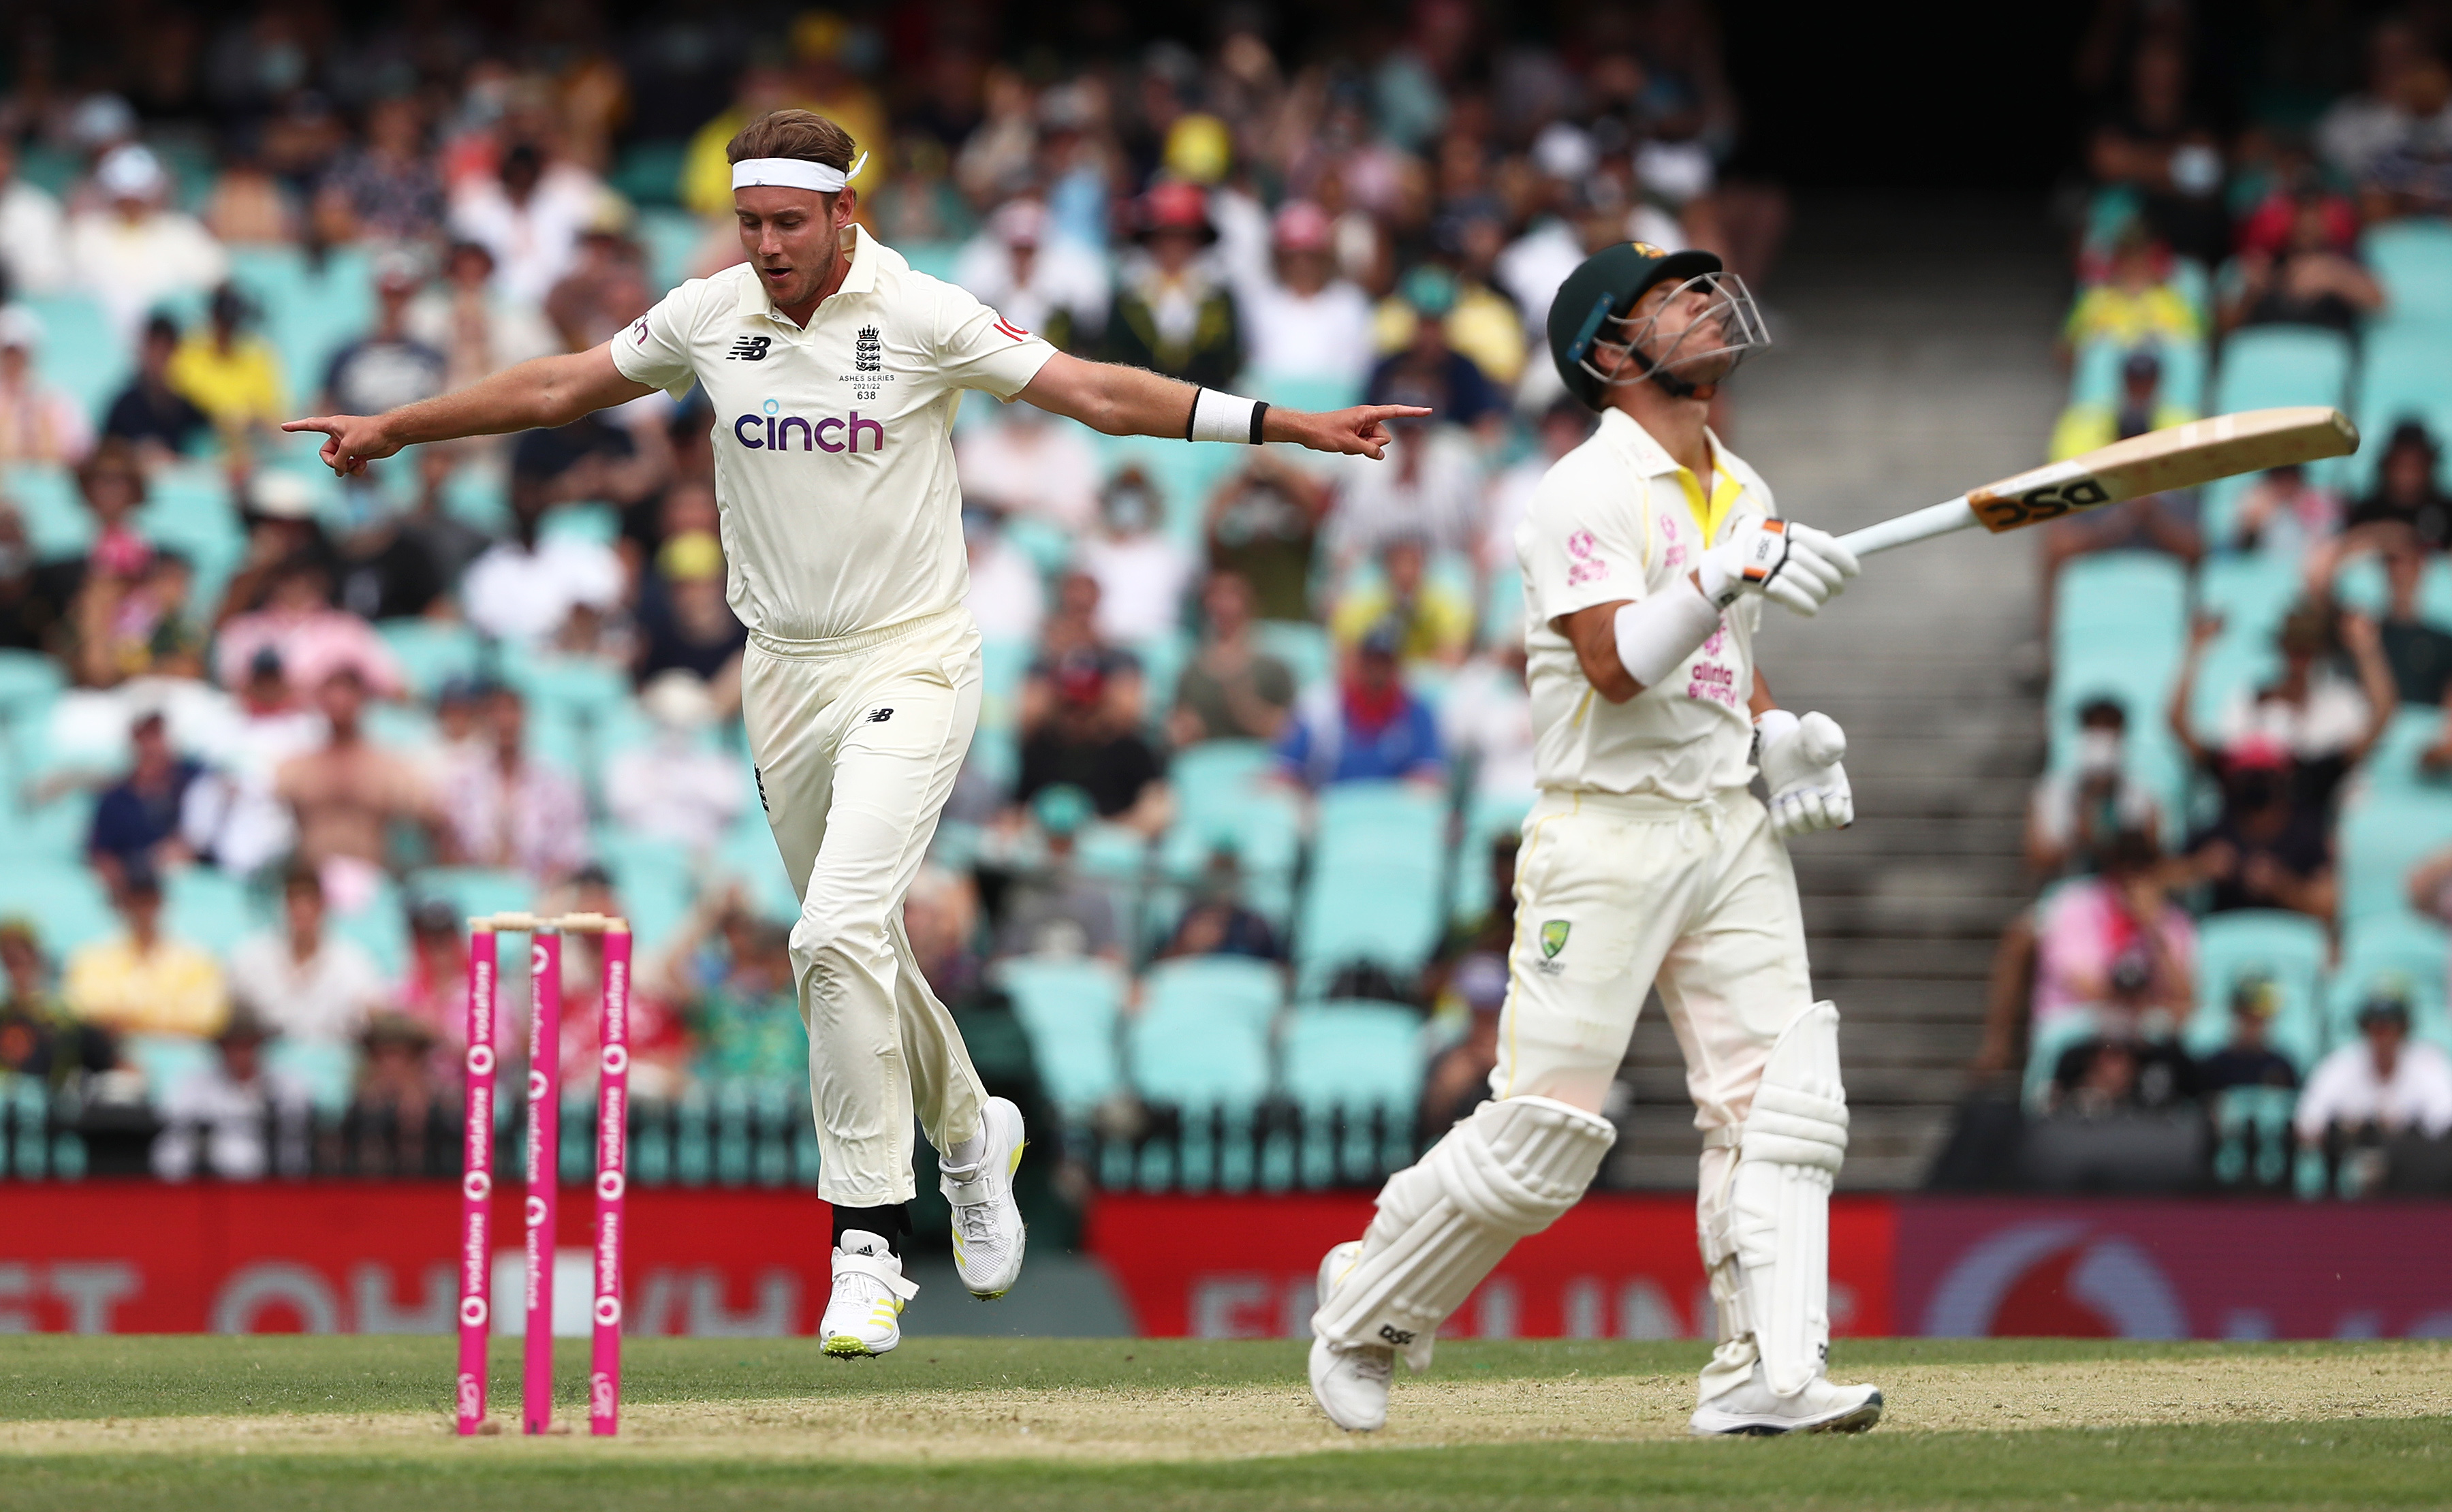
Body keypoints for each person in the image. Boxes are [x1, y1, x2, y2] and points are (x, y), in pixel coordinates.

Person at [281, 106, 1421, 1357]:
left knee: (828, 930)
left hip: (915, 660)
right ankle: (973, 1129)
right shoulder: (710, 313)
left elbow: (1094, 393)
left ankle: (869, 1247)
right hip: (783, 674)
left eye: (788, 222)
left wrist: (1280, 423)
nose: (765, 244)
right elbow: (561, 386)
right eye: (749, 222)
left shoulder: (923, 313)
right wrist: (398, 425)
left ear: (844, 215)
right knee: (856, 943)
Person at [1304, 240, 1876, 1438]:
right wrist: (1722, 576)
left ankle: (1764, 1369)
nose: (1708, 304)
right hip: (1604, 837)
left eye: (1704, 286)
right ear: (1611, 350)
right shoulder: (1580, 490)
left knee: (1780, 1105)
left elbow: (1722, 668)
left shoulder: (1746, 486)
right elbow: (1617, 667)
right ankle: (1366, 1308)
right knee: (1545, 1139)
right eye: (1677, 295)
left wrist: (1780, 738)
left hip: (1726, 826)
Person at [64, 144, 227, 339]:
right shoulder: (84, 234)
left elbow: (218, 281)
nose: (131, 201)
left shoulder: (182, 232)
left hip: (172, 339)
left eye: (138, 195)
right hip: (98, 339)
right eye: (125, 195)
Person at [438, 683, 591, 882]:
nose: (505, 722)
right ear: (483, 720)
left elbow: (573, 850)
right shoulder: (461, 783)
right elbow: (450, 847)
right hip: (477, 887)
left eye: (512, 712)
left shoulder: (557, 784)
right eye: (496, 713)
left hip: (542, 890)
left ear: (526, 718)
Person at [225, 865, 390, 1049]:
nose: (302, 911)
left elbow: (375, 1016)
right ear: (283, 906)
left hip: (333, 1064)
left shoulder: (355, 963)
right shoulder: (249, 957)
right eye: (294, 902)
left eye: (311, 903)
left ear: (323, 908)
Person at [1100, 181, 1243, 389]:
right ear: (1150, 239)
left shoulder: (1219, 298)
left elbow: (1230, 362)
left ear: (1199, 240)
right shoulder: (1128, 297)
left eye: (1184, 236)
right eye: (1166, 235)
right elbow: (1112, 359)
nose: (1174, 246)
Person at [61, 865, 228, 1040]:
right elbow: (86, 1010)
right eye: (134, 900)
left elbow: (207, 1019)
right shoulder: (90, 957)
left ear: (161, 901)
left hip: (183, 1056)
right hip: (111, 1055)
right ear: (119, 904)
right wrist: (165, 1018)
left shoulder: (200, 959)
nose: (141, 910)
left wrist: (127, 1020)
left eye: (148, 900)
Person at [1276, 623, 1447, 791]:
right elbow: (1285, 771)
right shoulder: (1320, 706)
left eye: (1384, 662)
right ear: (1359, 661)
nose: (1377, 670)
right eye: (1371, 661)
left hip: (1393, 812)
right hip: (1329, 808)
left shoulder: (1417, 713)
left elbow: (1430, 776)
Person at [149, 1011, 312, 1181]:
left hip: (270, 1189)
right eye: (233, 1046)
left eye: (248, 1045)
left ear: (260, 1046)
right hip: (206, 1188)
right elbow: (171, 1149)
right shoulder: (192, 1087)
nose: (241, 1054)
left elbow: (296, 1147)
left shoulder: (287, 1087)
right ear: (221, 1048)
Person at [1240, 200, 1375, 390]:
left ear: (1325, 257)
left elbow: (1359, 371)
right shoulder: (1260, 304)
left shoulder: (1350, 304)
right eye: (1292, 257)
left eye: (1310, 256)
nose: (1301, 266)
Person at [2294, 994, 2452, 1154]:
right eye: (2377, 1029)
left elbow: (2445, 1121)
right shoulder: (2341, 1064)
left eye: (2390, 1029)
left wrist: (2401, 1126)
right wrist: (2348, 1126)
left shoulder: (2427, 1063)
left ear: (2403, 1031)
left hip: (2413, 1162)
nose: (2383, 1039)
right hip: (2351, 1160)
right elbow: (2307, 1124)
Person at [2027, 697, 2162, 878]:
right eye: (2095, 732)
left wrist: (2103, 843)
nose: (2103, 742)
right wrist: (2078, 837)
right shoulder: (2052, 791)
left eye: (2110, 732)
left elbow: (2153, 862)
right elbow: (2037, 861)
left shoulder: (2141, 794)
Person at [1169, 570, 1297, 746]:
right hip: (1205, 764)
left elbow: (1294, 733)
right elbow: (1176, 732)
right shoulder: (1191, 673)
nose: (1223, 604)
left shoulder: (1274, 669)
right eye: (1216, 595)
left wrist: (1253, 714)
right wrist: (1183, 732)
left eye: (1232, 594)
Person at [1075, 467, 1194, 644]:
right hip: (1104, 646)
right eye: (1123, 492)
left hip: (1156, 645)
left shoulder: (1173, 554)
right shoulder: (1087, 550)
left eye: (1136, 493)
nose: (1129, 501)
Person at [86, 710, 201, 889]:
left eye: (158, 735)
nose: (154, 745)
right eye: (147, 736)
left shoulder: (193, 781)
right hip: (137, 884)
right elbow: (101, 854)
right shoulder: (115, 800)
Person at [1330, 534, 1475, 667]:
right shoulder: (1364, 603)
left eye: (1413, 562)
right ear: (1387, 566)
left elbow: (1452, 657)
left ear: (1425, 565)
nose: (1406, 571)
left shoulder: (1446, 602)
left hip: (1428, 683)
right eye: (1399, 563)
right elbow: (1348, 655)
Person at [101, 315, 211, 461]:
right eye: (155, 350)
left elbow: (212, 433)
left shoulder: (185, 404)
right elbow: (108, 452)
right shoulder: (124, 405)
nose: (160, 359)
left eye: (167, 351)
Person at [0, 305, 94, 467]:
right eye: (8, 354)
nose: (14, 362)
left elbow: (82, 453)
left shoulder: (59, 401)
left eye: (21, 354)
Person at [2197, 976, 2302, 1095]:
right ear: (2235, 1015)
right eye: (2247, 1018)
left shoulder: (2283, 1067)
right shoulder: (2214, 1068)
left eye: (2259, 1020)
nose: (2254, 1027)